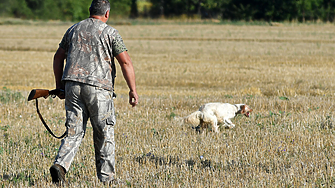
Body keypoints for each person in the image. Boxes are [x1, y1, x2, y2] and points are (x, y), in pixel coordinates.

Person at [50, 0, 138, 185]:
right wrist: (132, 90)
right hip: (99, 88)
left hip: (72, 86)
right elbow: (126, 62)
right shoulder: (110, 33)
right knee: (104, 132)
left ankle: (60, 165)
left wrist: (60, 86)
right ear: (107, 14)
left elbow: (58, 56)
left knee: (73, 132)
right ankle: (107, 179)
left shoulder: (73, 29)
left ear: (90, 11)